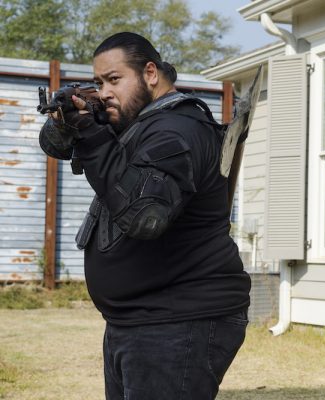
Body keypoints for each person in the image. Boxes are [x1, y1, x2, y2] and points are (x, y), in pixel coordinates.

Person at [39, 32, 251, 400]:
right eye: (98, 83)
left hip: (176, 321)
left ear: (150, 73)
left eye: (114, 80)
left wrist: (91, 135)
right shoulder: (140, 124)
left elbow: (145, 216)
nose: (104, 92)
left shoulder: (175, 130)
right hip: (141, 320)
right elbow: (53, 145)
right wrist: (69, 121)